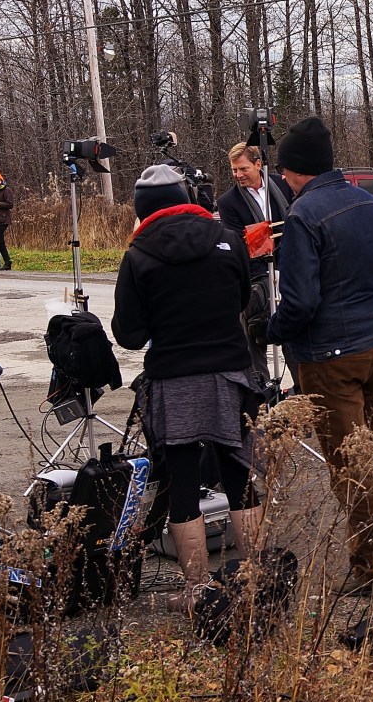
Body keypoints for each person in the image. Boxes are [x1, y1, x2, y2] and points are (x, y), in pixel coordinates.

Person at [265, 116, 373, 595]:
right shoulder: (368, 203)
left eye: (285, 171)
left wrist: (272, 331)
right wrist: (361, 301)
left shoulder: (303, 216)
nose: (282, 180)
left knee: (350, 464)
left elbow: (302, 301)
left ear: (298, 169)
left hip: (328, 359)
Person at [110, 165, 263, 610]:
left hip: (173, 379)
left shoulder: (138, 255)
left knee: (182, 481)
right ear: (186, 197)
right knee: (238, 472)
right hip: (230, 372)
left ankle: (198, 592)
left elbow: (130, 335)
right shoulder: (227, 239)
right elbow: (240, 299)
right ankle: (253, 580)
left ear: (143, 211)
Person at [216, 142, 293, 385]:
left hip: (288, 271)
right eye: (234, 170)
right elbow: (238, 245)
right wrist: (264, 281)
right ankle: (260, 394)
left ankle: (302, 387)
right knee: (253, 336)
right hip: (254, 276)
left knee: (292, 333)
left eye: (243, 169)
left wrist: (284, 273)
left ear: (258, 165)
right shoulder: (228, 202)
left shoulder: (282, 185)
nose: (238, 175)